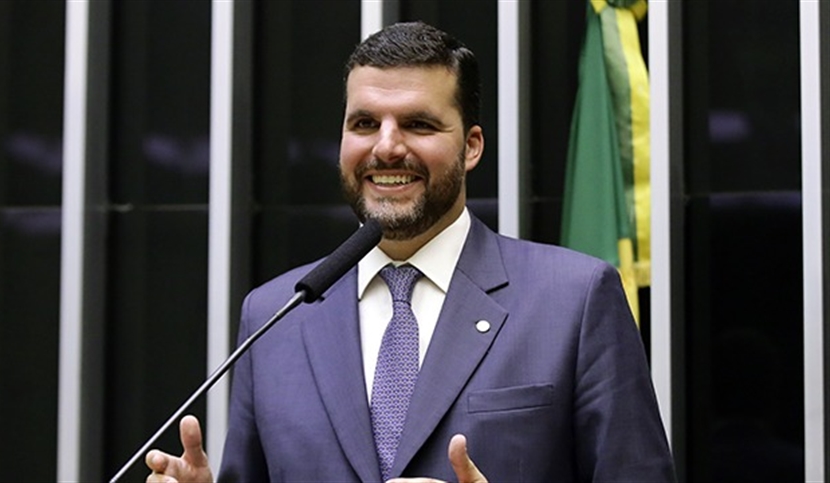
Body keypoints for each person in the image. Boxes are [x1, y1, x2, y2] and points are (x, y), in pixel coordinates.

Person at [146, 21, 676, 483]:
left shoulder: (575, 300)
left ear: (471, 146)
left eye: (418, 124)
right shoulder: (275, 314)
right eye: (364, 124)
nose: (386, 147)